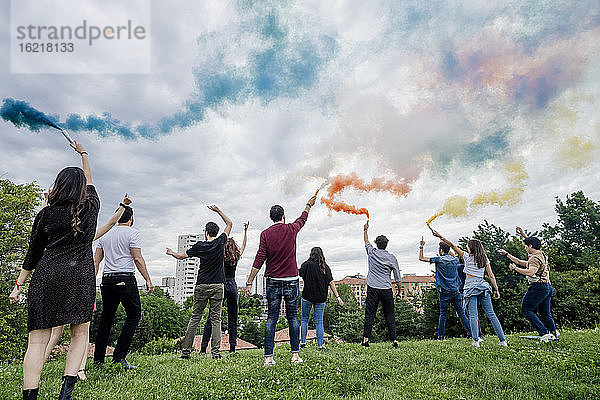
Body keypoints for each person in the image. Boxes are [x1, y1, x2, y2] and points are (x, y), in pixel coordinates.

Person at [9, 141, 99, 400]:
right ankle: (65, 393)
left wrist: (18, 287)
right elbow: (91, 183)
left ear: (57, 186)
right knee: (79, 334)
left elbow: (32, 254)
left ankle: (30, 397)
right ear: (82, 189)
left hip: (45, 276)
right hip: (79, 277)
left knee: (36, 342)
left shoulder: (45, 215)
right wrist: (83, 154)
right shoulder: (90, 209)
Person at [43, 194, 132, 381]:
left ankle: (40, 363)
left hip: (59, 283)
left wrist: (50, 202)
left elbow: (44, 219)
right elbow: (110, 224)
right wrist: (123, 205)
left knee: (55, 331)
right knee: (82, 332)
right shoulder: (86, 235)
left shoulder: (54, 234)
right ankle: (79, 370)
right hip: (81, 285)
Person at [245, 194, 317, 367]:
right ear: (283, 216)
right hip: (292, 280)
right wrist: (309, 204)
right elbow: (303, 218)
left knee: (271, 318)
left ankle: (268, 358)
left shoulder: (265, 234)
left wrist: (249, 282)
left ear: (270, 218)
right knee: (293, 317)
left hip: (273, 281)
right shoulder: (292, 229)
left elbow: (259, 259)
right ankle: (295, 356)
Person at [93, 202, 154, 369]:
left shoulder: (104, 235)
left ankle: (98, 360)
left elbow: (96, 261)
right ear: (131, 218)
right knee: (134, 315)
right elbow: (137, 258)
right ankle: (119, 357)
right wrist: (148, 279)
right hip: (124, 278)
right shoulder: (132, 233)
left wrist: (92, 282)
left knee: (106, 318)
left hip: (106, 280)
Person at [166, 205, 232, 359]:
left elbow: (182, 256)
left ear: (206, 232)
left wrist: (171, 253)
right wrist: (218, 211)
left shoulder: (199, 246)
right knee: (216, 319)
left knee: (195, 317)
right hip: (217, 285)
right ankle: (216, 353)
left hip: (201, 285)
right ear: (216, 232)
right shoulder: (221, 242)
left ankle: (185, 352)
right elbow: (229, 224)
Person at [432, 230, 507, 348]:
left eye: (467, 246)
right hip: (483, 286)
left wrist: (440, 236)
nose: (466, 247)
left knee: (473, 315)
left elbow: (451, 245)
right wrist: (496, 289)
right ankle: (503, 341)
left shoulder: (466, 257)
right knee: (491, 314)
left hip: (471, 286)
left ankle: (476, 341)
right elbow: (491, 275)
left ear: (471, 248)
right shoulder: (484, 258)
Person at [498, 231, 558, 342]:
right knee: (545, 313)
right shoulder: (542, 254)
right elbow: (520, 261)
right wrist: (507, 254)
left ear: (530, 246)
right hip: (547, 287)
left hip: (538, 287)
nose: (525, 248)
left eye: (526, 246)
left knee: (526, 310)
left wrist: (515, 268)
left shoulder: (534, 259)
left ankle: (544, 333)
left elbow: (530, 272)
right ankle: (553, 334)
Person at [200, 222, 249, 353]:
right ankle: (232, 348)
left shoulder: (219, 255)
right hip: (232, 286)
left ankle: (203, 348)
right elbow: (244, 245)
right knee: (233, 319)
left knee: (212, 318)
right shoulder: (236, 256)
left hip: (220, 284)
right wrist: (245, 231)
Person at [418, 236, 471, 340]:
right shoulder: (455, 260)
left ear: (440, 250)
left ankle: (441, 337)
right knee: (461, 313)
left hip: (444, 291)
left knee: (443, 314)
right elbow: (453, 255)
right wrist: (447, 248)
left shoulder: (439, 260)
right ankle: (471, 333)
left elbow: (421, 258)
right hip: (456, 290)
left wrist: (421, 246)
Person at [361, 220, 402, 348]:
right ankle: (394, 340)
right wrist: (399, 291)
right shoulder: (392, 258)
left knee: (369, 314)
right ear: (386, 244)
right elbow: (397, 278)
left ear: (377, 244)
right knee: (389, 315)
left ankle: (366, 340)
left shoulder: (372, 253)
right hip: (386, 289)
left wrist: (365, 230)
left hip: (373, 288)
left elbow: (366, 241)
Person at [299, 247, 344, 350]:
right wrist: (338, 297)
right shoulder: (325, 267)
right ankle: (320, 345)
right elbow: (331, 283)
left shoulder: (306, 265)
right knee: (319, 321)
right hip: (321, 297)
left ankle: (302, 342)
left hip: (307, 296)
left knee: (304, 320)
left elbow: (300, 274)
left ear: (311, 254)